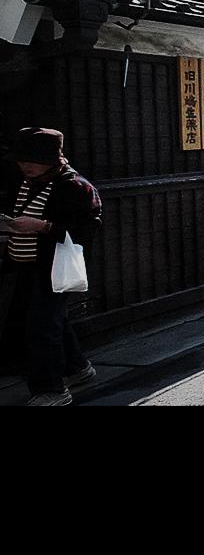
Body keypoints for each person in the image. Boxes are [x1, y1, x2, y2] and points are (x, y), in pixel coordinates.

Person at [0, 128, 101, 405]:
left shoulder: (75, 187)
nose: (26, 165)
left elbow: (87, 229)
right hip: (25, 263)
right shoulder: (21, 181)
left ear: (54, 159)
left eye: (33, 160)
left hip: (55, 267)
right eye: (22, 160)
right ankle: (77, 368)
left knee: (41, 327)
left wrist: (44, 226)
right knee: (49, 321)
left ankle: (52, 390)